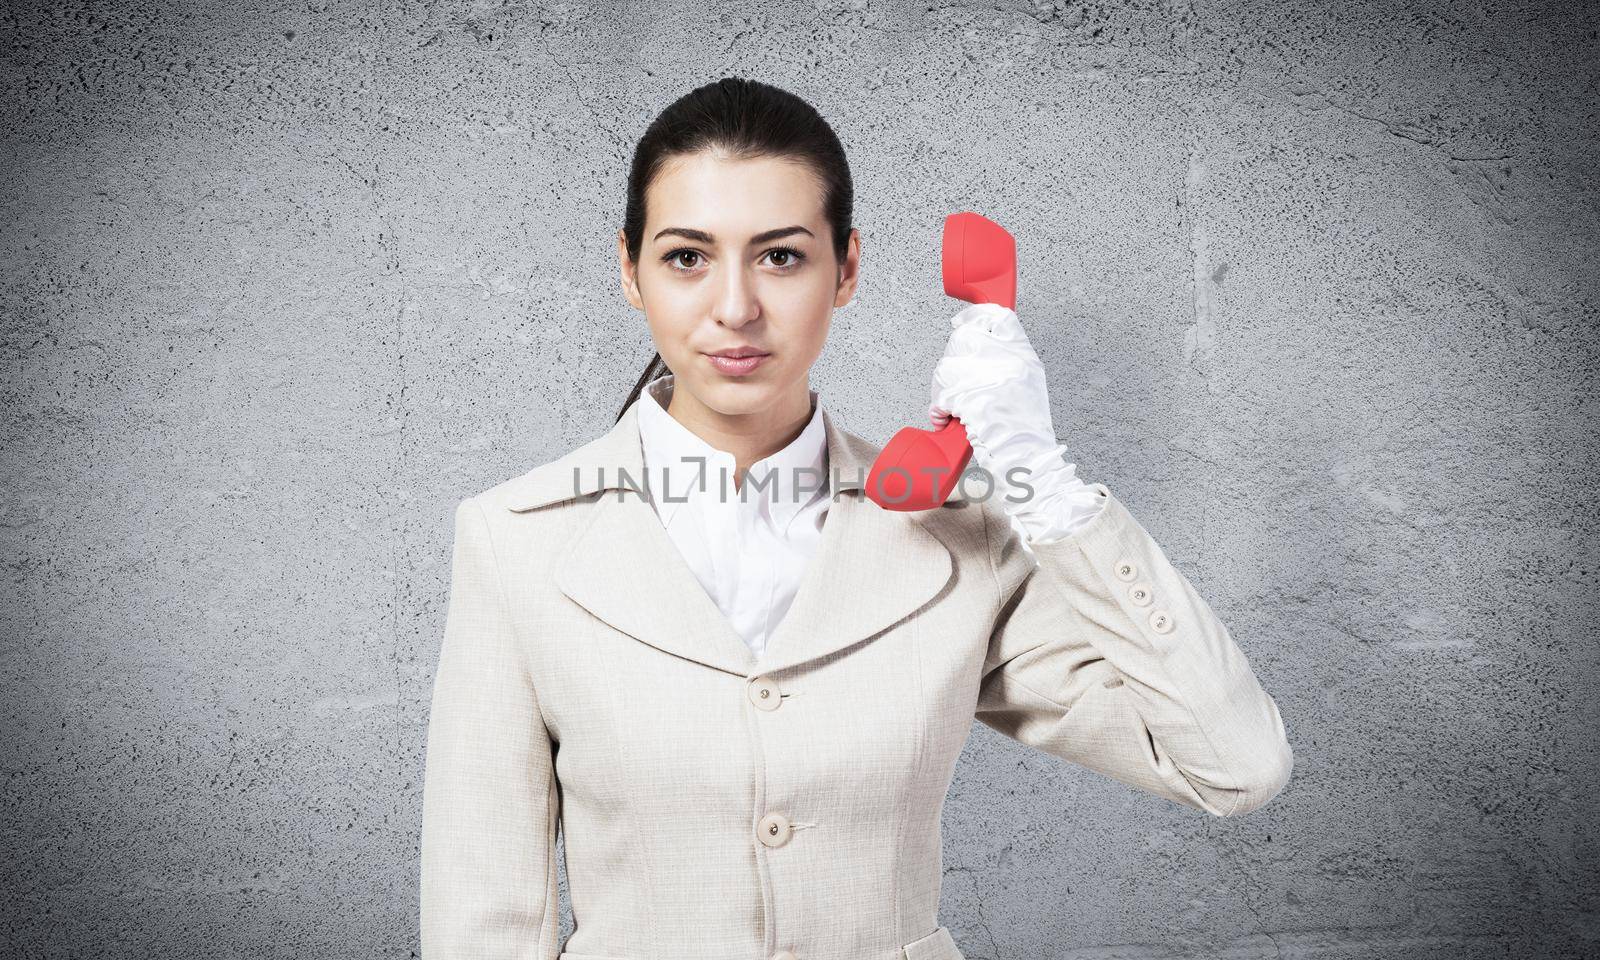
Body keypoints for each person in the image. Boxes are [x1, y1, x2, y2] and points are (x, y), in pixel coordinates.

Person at [420, 76, 1293, 960]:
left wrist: (1042, 478)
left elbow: (1235, 765)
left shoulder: (960, 535)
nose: (735, 308)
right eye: (687, 256)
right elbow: (481, 920)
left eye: (781, 256)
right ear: (629, 270)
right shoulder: (515, 540)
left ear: (847, 270)